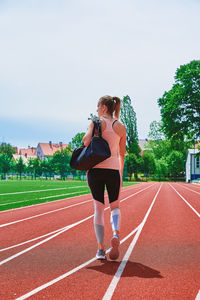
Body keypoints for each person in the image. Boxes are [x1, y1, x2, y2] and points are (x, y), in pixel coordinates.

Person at [83, 95, 126, 260]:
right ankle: (115, 234)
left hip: (96, 170)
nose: (96, 109)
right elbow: (121, 153)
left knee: (98, 209)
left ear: (104, 108)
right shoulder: (121, 126)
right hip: (114, 169)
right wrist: (120, 173)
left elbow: (86, 141)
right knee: (115, 206)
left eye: (97, 105)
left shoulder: (95, 122)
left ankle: (100, 249)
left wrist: (88, 136)